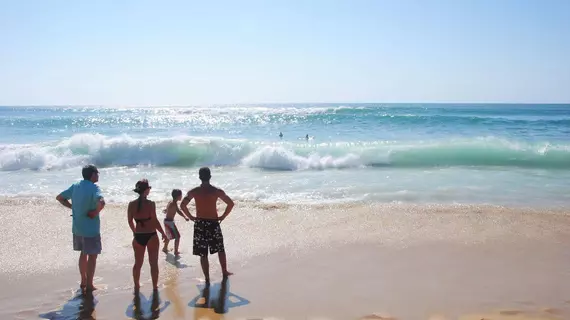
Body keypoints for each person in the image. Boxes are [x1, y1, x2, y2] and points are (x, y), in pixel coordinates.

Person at [56, 164, 105, 292]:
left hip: (77, 228)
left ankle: (83, 280)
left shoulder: (76, 186)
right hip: (91, 229)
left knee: (83, 254)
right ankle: (90, 284)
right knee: (92, 256)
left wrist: (72, 207)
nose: (98, 175)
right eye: (97, 173)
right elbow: (102, 202)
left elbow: (60, 198)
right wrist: (95, 212)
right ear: (93, 175)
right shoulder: (94, 187)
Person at [181, 167, 234, 283]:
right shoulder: (216, 191)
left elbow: (182, 205)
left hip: (200, 223)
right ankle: (224, 271)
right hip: (213, 223)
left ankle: (207, 278)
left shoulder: (194, 191)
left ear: (200, 177)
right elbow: (230, 203)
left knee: (203, 253)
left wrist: (190, 217)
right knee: (220, 249)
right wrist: (223, 216)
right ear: (210, 176)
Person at [128, 179, 167, 292]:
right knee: (153, 263)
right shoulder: (151, 204)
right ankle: (155, 287)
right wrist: (163, 233)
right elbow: (154, 221)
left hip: (138, 236)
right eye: (149, 188)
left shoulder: (131, 204)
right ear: (146, 190)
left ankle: (136, 286)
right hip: (151, 235)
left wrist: (135, 232)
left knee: (138, 263)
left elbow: (130, 221)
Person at [162, 189, 189, 255]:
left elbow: (169, 209)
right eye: (181, 195)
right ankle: (176, 251)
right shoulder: (173, 203)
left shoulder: (171, 202)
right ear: (178, 196)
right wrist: (185, 217)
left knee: (168, 236)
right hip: (169, 222)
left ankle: (165, 248)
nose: (181, 197)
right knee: (177, 237)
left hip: (167, 221)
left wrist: (166, 210)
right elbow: (178, 211)